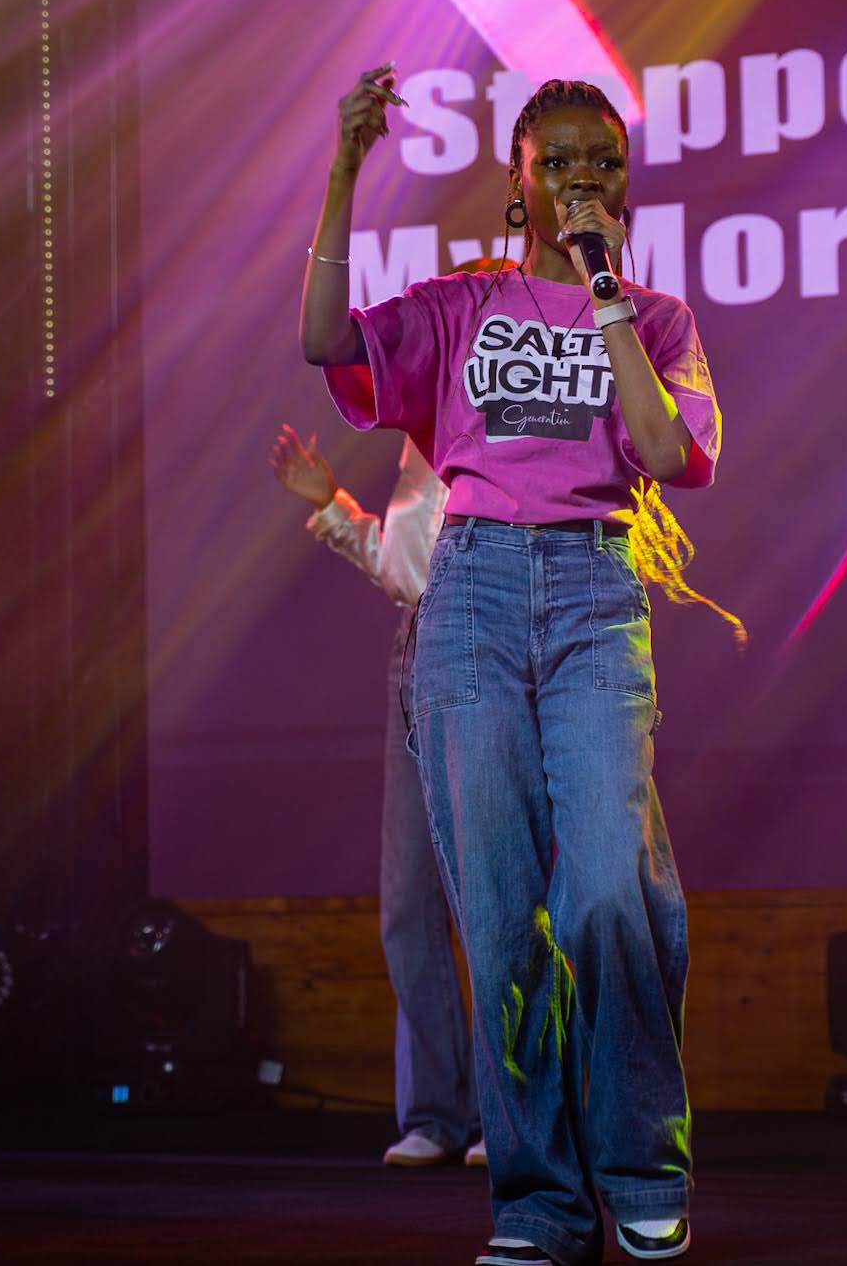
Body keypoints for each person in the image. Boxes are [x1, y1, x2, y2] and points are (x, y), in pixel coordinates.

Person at [301, 71, 719, 1266]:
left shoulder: (656, 316)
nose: (586, 177)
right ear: (518, 180)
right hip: (473, 592)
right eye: (562, 161)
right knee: (498, 911)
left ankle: (640, 1166)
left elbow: (665, 452)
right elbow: (324, 341)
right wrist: (343, 170)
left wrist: (601, 293)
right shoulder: (460, 303)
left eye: (605, 162)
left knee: (608, 892)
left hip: (593, 589)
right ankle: (537, 1202)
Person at [270, 412, 486, 1172]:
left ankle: (507, 1115)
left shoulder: (505, 400)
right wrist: (331, 505)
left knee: (490, 892)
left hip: (487, 644)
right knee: (408, 900)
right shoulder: (421, 425)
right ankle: (435, 1114)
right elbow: (404, 568)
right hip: (416, 644)